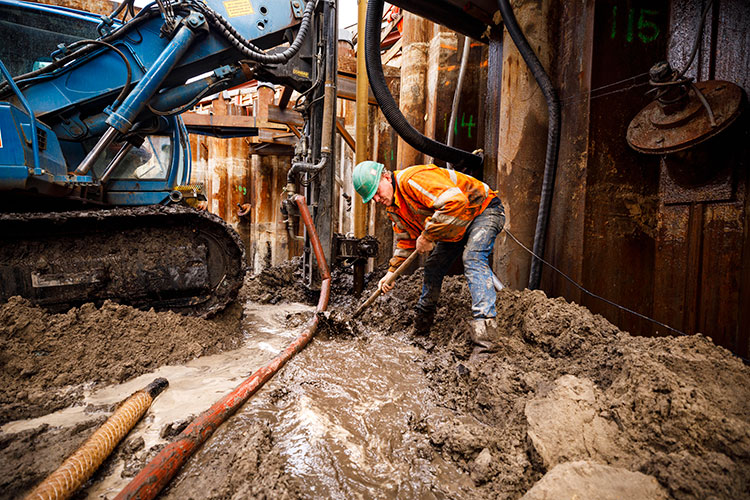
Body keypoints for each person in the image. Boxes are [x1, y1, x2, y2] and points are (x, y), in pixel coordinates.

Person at [352, 160, 505, 356]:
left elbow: (456, 202)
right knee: (433, 266)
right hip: (457, 223)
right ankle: (421, 328)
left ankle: (486, 343)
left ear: (386, 177)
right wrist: (391, 273)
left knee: (473, 258)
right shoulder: (395, 208)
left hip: (482, 210)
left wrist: (427, 236)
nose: (377, 199)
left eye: (376, 191)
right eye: (372, 197)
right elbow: (406, 241)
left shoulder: (412, 180)